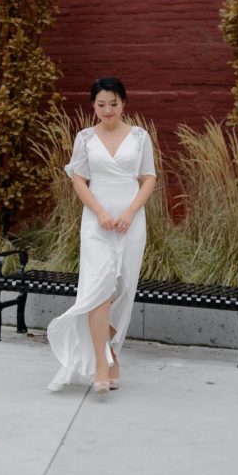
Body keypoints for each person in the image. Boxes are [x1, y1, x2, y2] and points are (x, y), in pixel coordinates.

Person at [47, 77, 157, 394]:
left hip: (131, 221)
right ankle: (100, 362)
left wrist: (128, 213)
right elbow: (79, 180)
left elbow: (148, 177)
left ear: (124, 103)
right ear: (93, 106)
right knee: (100, 288)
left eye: (113, 103)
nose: (107, 110)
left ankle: (112, 354)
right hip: (96, 223)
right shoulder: (85, 138)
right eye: (101, 104)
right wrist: (102, 213)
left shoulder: (139, 137)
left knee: (122, 289)